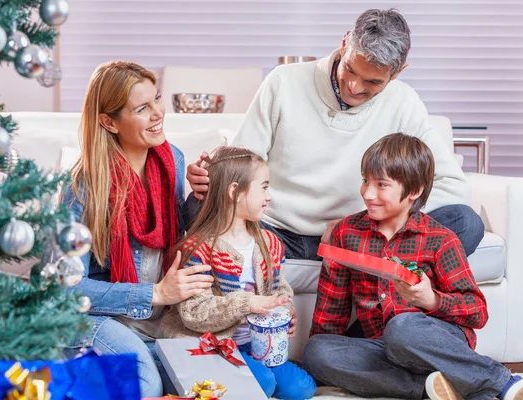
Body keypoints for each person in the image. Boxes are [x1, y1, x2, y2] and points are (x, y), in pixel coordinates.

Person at [184, 8, 484, 263]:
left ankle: (380, 300)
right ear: (344, 43)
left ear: (397, 72)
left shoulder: (404, 102)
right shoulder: (284, 81)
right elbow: (243, 159)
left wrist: (361, 224)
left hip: (359, 240)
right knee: (196, 206)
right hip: (270, 231)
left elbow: (453, 187)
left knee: (465, 222)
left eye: (372, 81)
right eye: (350, 69)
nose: (354, 87)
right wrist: (212, 176)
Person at [301, 133, 523, 400]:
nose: (367, 193)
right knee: (316, 351)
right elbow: (331, 310)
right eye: (365, 181)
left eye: (381, 185)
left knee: (403, 328)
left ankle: (498, 381)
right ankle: (439, 387)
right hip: (382, 349)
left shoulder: (440, 239)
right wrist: (319, 361)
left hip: (430, 341)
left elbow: (477, 312)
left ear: (413, 191)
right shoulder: (347, 233)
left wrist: (432, 300)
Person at [60, 61, 214, 398]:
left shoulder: (171, 159)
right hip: (97, 317)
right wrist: (156, 294)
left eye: (156, 99)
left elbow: (170, 230)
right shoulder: (82, 186)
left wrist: (202, 196)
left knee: (204, 385)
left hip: (157, 317)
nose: (158, 113)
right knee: (146, 384)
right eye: (142, 108)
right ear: (108, 122)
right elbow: (65, 290)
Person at [160, 146, 317, 400]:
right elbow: (194, 313)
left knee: (302, 389)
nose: (269, 196)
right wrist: (248, 303)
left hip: (255, 345)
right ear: (234, 192)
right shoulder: (198, 249)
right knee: (263, 384)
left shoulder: (269, 243)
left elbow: (281, 289)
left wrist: (284, 309)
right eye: (263, 187)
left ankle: (245, 374)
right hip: (212, 344)